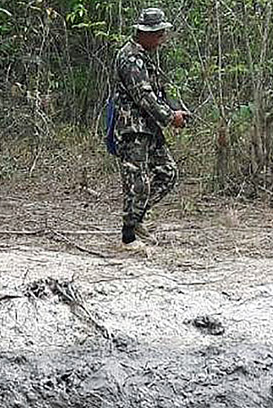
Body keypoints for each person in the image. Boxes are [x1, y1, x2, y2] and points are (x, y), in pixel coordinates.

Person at [111, 8, 187, 249]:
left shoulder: (144, 56)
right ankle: (128, 236)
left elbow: (157, 93)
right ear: (145, 33)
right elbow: (144, 97)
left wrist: (175, 109)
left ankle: (137, 219)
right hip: (132, 130)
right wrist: (170, 117)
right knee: (137, 182)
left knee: (167, 172)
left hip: (149, 128)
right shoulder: (130, 58)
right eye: (158, 34)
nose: (161, 39)